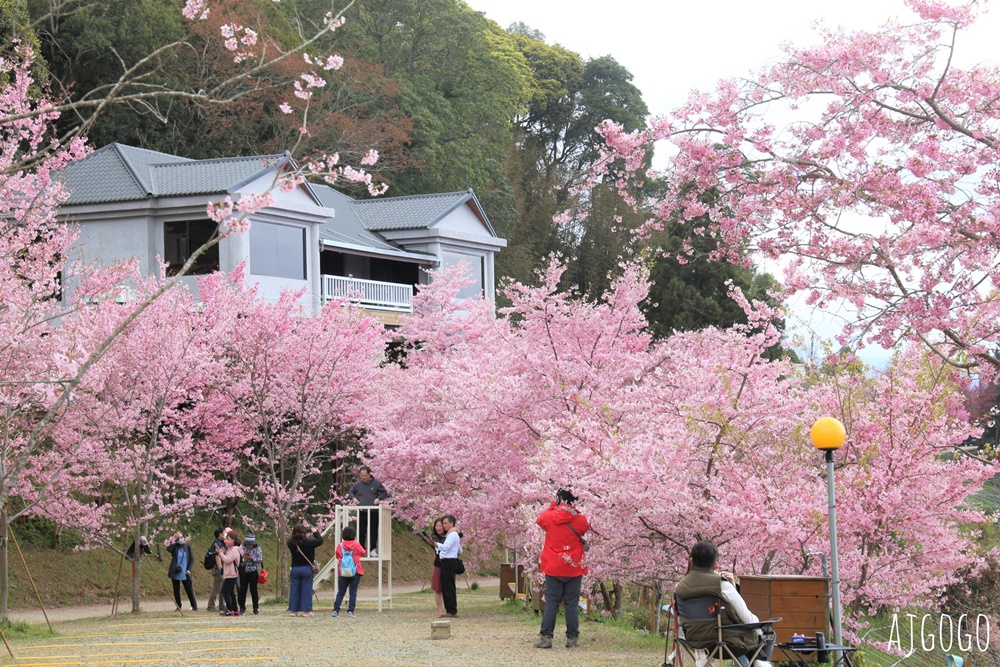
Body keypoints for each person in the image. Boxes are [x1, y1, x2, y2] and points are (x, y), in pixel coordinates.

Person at [674, 540, 774, 667]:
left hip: (695, 641)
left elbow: (680, 620)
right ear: (715, 565)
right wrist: (732, 587)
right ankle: (760, 662)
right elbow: (749, 620)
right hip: (726, 642)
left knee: (746, 636)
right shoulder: (722, 585)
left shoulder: (679, 587)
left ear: (691, 561)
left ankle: (758, 661)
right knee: (767, 632)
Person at [534, 488, 590, 649]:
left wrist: (553, 505)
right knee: (572, 603)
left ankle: (546, 638)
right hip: (574, 567)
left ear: (560, 499)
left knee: (552, 602)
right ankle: (572, 639)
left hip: (553, 566)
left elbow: (540, 520)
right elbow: (584, 528)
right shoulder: (580, 519)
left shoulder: (550, 517)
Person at [347, 465, 388, 557]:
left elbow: (384, 492)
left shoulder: (376, 483)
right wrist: (353, 498)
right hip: (362, 510)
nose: (363, 477)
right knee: (361, 531)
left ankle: (372, 549)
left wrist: (378, 499)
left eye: (365, 475)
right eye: (361, 476)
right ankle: (361, 548)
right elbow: (351, 492)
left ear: (369, 474)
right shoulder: (358, 484)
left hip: (373, 511)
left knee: (373, 530)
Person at [287, 523, 323, 617]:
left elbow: (293, 541)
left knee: (295, 590)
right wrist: (316, 532)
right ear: (304, 533)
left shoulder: (290, 543)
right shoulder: (309, 543)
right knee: (306, 590)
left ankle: (294, 611)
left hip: (295, 569)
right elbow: (320, 541)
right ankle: (307, 611)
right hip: (306, 568)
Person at [332, 526, 366, 618]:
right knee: (353, 592)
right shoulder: (356, 545)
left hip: (343, 571)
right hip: (355, 571)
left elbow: (337, 556)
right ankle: (350, 611)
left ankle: (336, 610)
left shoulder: (340, 546)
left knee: (341, 592)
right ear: (354, 535)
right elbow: (363, 552)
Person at [417, 518, 448, 616]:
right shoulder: (433, 537)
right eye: (437, 526)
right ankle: (440, 611)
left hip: (449, 564)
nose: (438, 528)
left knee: (448, 588)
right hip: (438, 564)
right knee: (438, 589)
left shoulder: (450, 536)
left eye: (440, 526)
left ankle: (450, 610)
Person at [433, 514, 462, 618]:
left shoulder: (452, 535)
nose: (444, 526)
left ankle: (451, 610)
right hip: (449, 561)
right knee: (447, 586)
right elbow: (460, 550)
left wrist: (436, 544)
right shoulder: (452, 535)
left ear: (451, 524)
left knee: (448, 586)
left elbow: (445, 547)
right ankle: (450, 609)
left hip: (448, 561)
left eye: (445, 523)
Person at [164, 532, 197, 611]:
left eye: (180, 536)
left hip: (185, 571)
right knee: (176, 589)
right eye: (177, 536)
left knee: (189, 589)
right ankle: (178, 606)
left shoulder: (187, 546)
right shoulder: (174, 546)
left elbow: (192, 559)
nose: (179, 538)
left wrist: (189, 569)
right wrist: (173, 540)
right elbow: (169, 549)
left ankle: (194, 606)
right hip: (176, 570)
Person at [217, 532, 243, 616]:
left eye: (228, 539)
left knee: (226, 592)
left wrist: (220, 554)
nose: (226, 541)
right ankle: (235, 609)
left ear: (233, 540)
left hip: (231, 573)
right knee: (231, 592)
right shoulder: (231, 549)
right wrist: (223, 552)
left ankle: (230, 609)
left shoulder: (235, 549)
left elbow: (227, 560)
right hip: (230, 573)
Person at [205, 527, 229, 612]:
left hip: (222, 567)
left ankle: (222, 606)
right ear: (220, 534)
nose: (225, 534)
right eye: (224, 533)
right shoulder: (217, 543)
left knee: (223, 588)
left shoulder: (222, 542)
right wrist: (221, 570)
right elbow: (217, 557)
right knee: (217, 588)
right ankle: (211, 606)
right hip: (218, 567)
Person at [239, 533, 264, 615]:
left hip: (253, 571)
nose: (249, 546)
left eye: (250, 544)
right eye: (247, 544)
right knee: (242, 590)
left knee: (254, 590)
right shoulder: (242, 548)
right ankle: (242, 607)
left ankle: (256, 608)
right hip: (243, 570)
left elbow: (259, 559)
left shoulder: (258, 548)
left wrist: (252, 558)